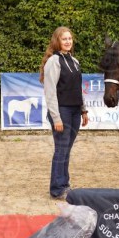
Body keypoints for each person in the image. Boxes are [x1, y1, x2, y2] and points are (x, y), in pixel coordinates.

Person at [39, 26, 89, 200]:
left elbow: (78, 89)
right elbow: (50, 91)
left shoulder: (74, 61)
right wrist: (56, 117)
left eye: (69, 38)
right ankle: (57, 188)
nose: (68, 41)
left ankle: (64, 184)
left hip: (75, 111)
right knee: (61, 149)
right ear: (57, 41)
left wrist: (83, 110)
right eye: (64, 39)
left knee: (67, 149)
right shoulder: (54, 61)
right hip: (62, 111)